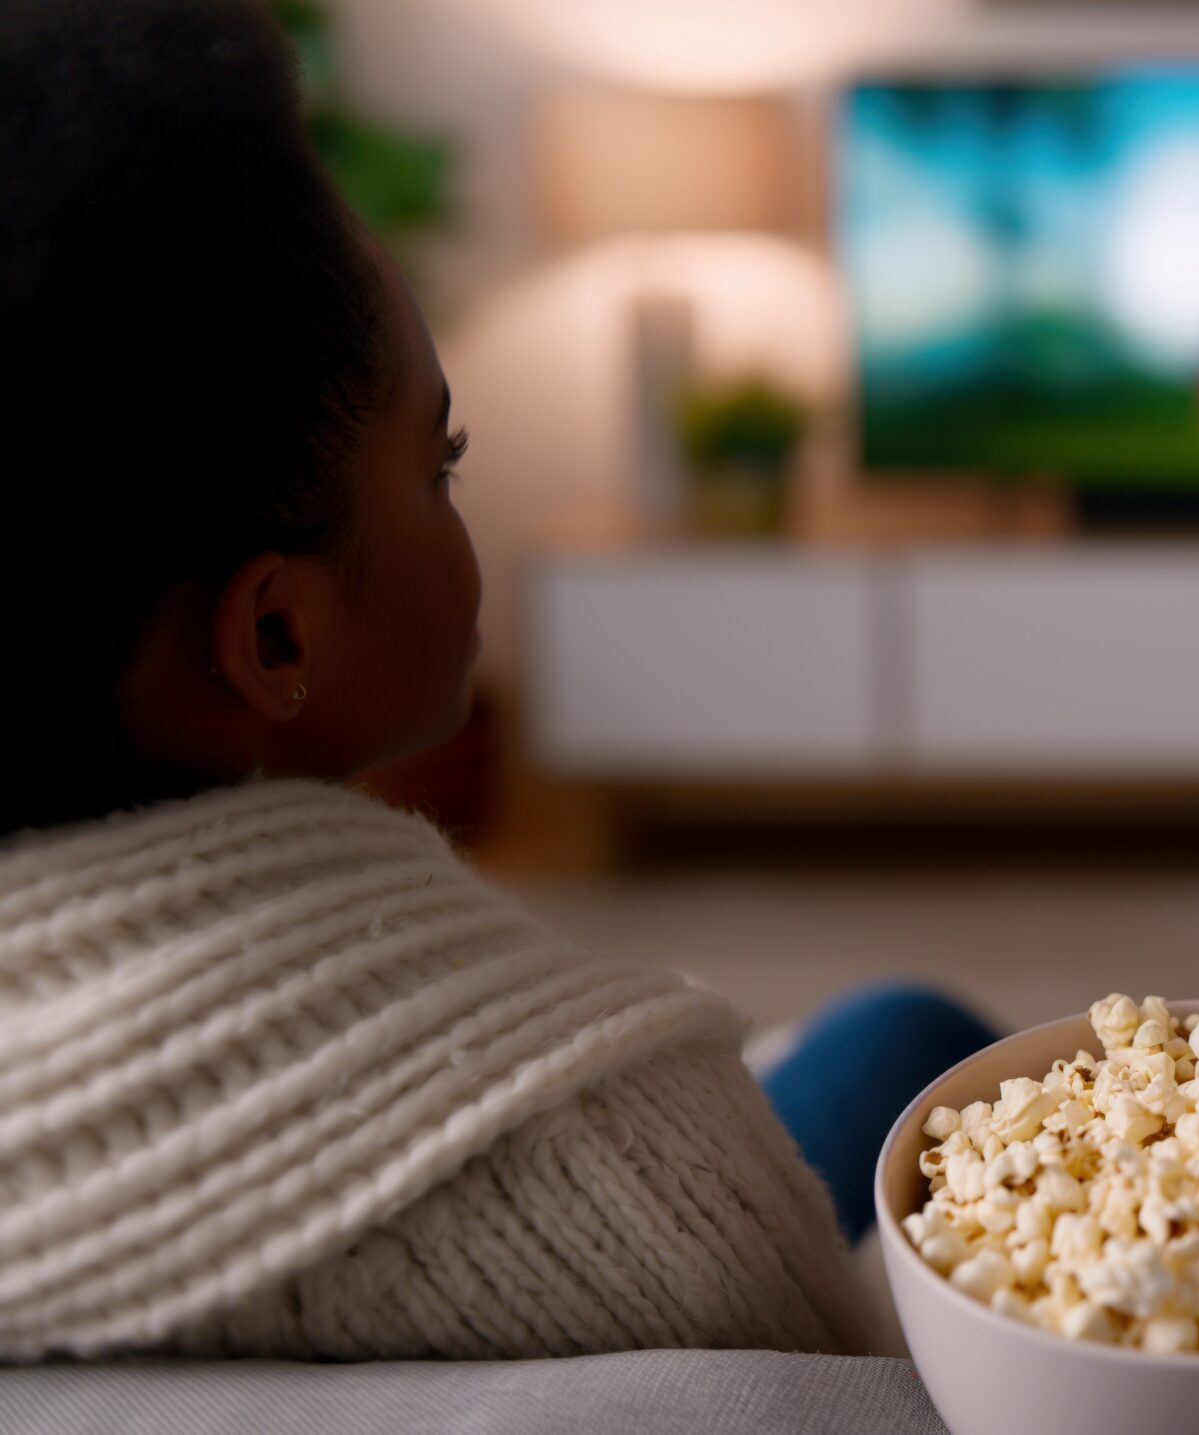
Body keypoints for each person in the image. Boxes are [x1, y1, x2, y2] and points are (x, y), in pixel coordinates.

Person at [0, 0, 990, 1360]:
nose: (464, 499)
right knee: (909, 1027)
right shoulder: (641, 1179)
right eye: (441, 463)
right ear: (275, 637)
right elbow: (837, 1337)